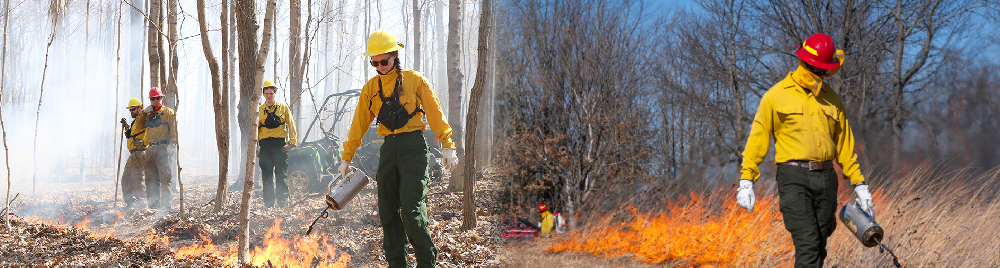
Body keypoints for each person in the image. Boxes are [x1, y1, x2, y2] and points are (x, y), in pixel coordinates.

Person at [736, 33, 873, 268]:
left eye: (825, 69)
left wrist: (860, 186)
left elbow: (844, 146)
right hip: (794, 178)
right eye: (818, 69)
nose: (822, 74)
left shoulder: (833, 100)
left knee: (818, 243)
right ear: (805, 62)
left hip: (827, 178)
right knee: (808, 242)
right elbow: (757, 139)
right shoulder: (775, 96)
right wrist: (746, 180)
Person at [338, 29, 458, 268]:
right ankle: (396, 264)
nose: (380, 66)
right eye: (375, 62)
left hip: (413, 148)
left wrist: (447, 144)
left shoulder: (414, 80)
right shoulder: (371, 88)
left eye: (385, 60)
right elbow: (358, 125)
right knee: (388, 211)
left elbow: (435, 114)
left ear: (395, 56)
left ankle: (426, 262)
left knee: (411, 211)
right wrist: (346, 157)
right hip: (388, 150)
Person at [132, 87, 179, 210]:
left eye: (157, 98)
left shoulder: (169, 113)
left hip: (163, 149)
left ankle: (165, 206)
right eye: (152, 99)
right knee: (150, 179)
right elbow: (138, 127)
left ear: (161, 98)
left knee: (165, 178)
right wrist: (143, 113)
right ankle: (153, 205)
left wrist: (171, 148)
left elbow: (174, 133)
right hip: (150, 150)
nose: (155, 101)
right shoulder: (148, 114)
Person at [257, 80, 297, 208]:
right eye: (267, 93)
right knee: (267, 176)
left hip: (280, 145)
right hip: (265, 147)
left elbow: (291, 124)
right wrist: (255, 148)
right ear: (263, 94)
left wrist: (292, 143)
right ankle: (268, 204)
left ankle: (283, 202)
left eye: (271, 93)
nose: (269, 96)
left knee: (282, 174)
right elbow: (254, 129)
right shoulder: (258, 110)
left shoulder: (283, 108)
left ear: (275, 93)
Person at [120, 98, 147, 209]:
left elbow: (151, 130)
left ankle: (142, 204)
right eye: (130, 110)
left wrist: (144, 142)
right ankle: (129, 203)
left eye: (133, 109)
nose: (131, 112)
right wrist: (127, 127)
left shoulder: (144, 118)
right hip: (133, 154)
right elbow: (132, 134)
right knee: (126, 179)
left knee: (138, 179)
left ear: (140, 108)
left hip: (141, 152)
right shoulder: (136, 121)